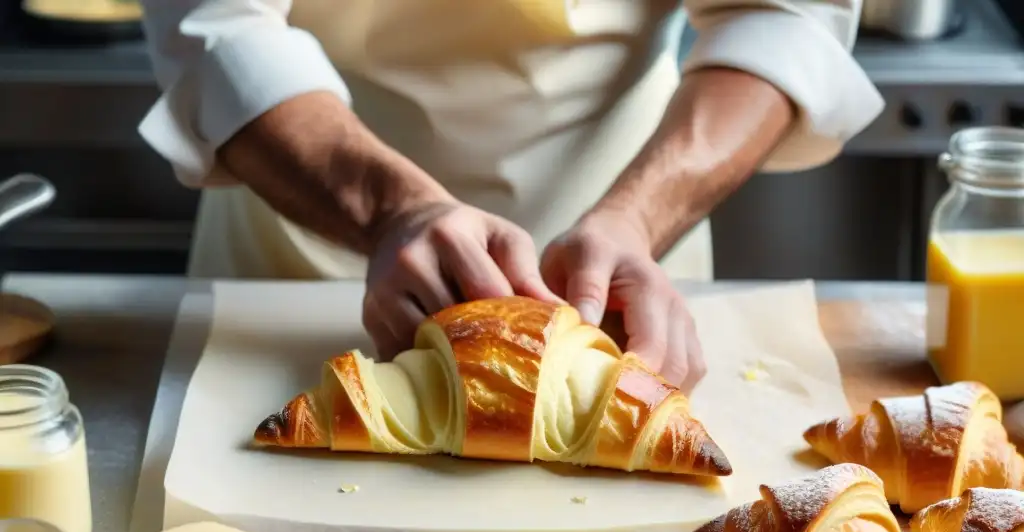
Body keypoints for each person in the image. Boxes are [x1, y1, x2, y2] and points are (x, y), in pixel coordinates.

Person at [137, 0, 881, 393]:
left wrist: (638, 216)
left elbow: (783, 15)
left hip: (629, 283)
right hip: (298, 267)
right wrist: (392, 209)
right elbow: (219, 24)